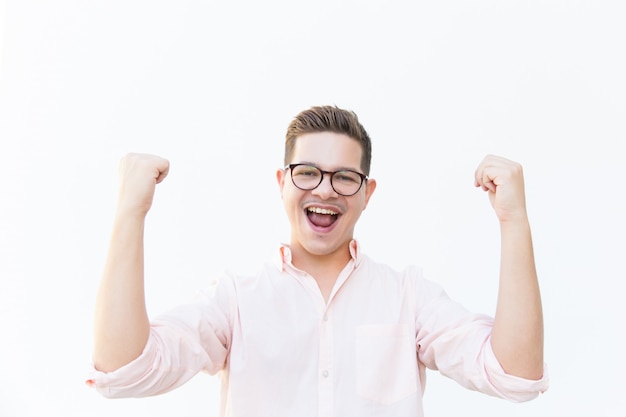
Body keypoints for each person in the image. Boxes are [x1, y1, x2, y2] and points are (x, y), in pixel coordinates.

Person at [87, 105, 548, 416]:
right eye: (307, 172)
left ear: (367, 194)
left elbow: (514, 377)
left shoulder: (408, 297)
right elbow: (124, 371)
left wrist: (514, 220)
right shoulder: (236, 301)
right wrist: (132, 210)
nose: (324, 190)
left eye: (345, 177)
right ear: (282, 182)